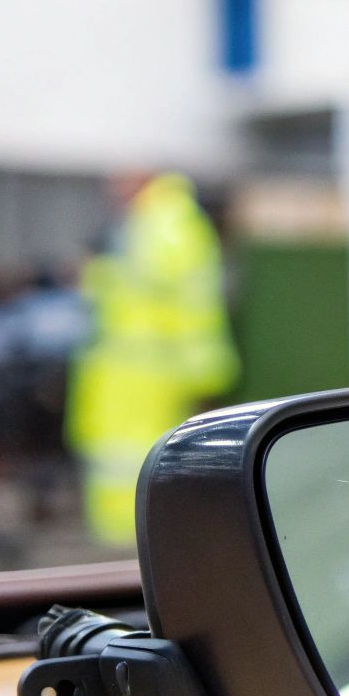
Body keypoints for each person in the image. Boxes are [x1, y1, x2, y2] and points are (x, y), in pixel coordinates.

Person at [68, 173, 238, 545]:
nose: (112, 189)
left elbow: (191, 307)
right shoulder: (145, 224)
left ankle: (136, 542)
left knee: (143, 458)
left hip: (149, 374)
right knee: (127, 459)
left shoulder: (166, 224)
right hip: (129, 372)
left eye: (121, 179)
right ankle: (131, 542)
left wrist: (202, 375)